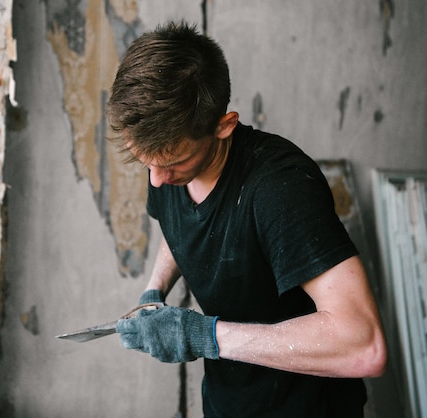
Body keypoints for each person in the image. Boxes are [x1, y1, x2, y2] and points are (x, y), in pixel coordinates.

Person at [107, 21, 387, 417]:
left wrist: (205, 337)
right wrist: (154, 291)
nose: (156, 179)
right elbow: (179, 226)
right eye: (146, 163)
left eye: (171, 163)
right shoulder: (165, 161)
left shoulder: (280, 188)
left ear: (224, 126)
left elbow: (364, 344)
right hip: (227, 402)